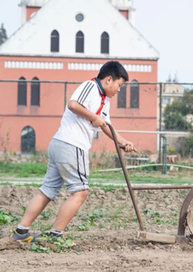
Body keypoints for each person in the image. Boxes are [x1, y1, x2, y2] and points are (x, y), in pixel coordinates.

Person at [11, 61, 136, 242]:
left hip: (61, 145)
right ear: (109, 79)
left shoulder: (104, 100)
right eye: (119, 85)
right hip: (71, 145)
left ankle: (20, 232)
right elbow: (73, 104)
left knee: (47, 190)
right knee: (80, 192)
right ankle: (56, 235)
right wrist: (93, 117)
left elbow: (106, 126)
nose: (119, 90)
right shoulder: (90, 86)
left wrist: (124, 143)